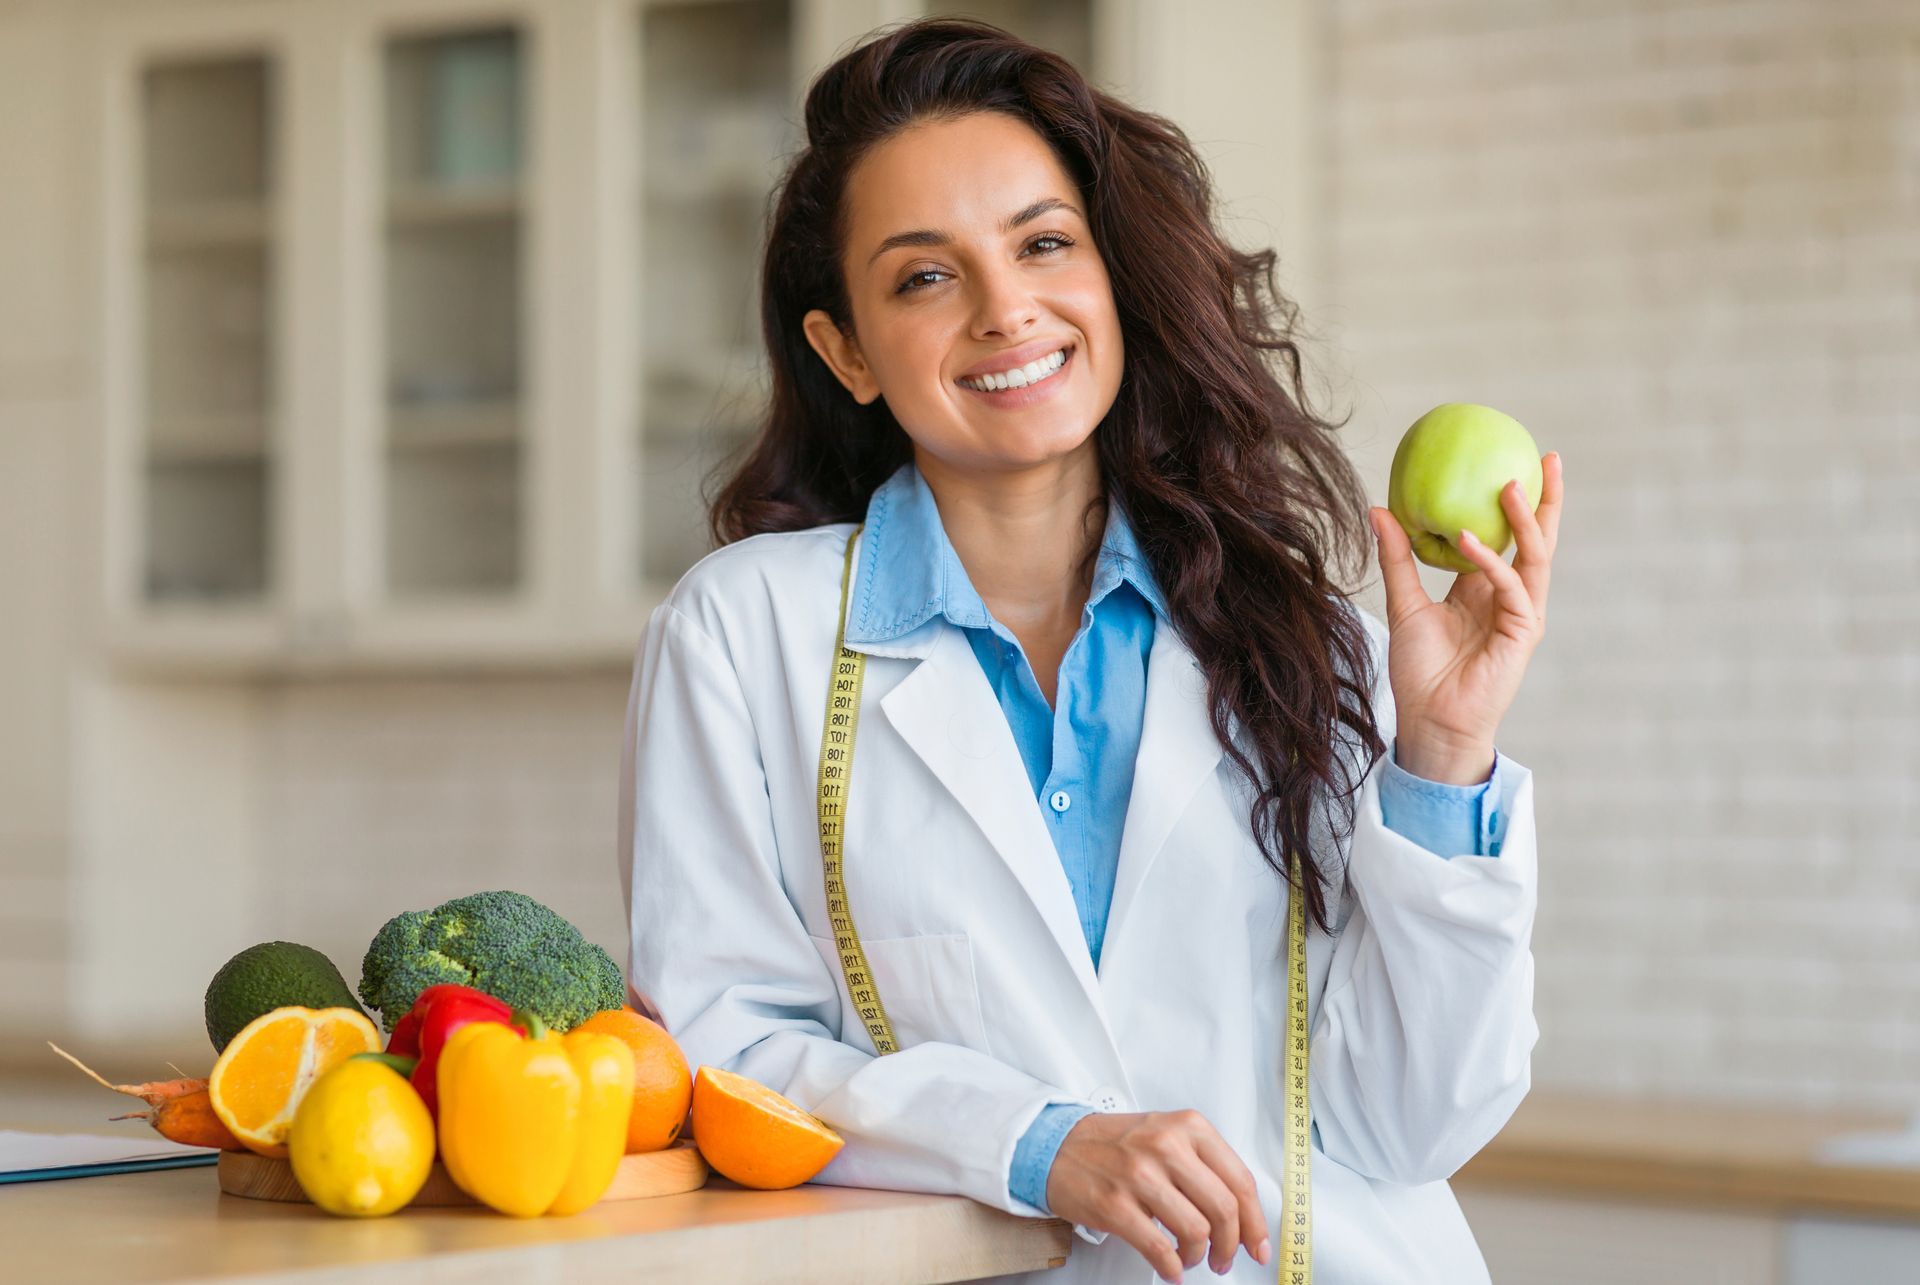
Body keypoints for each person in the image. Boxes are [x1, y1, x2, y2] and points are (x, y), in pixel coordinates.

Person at [618, 18, 1564, 1284]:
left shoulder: (1301, 635)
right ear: (844, 349)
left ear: (1110, 278)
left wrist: (1445, 757)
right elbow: (725, 1053)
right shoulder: (743, 634)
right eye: (923, 276)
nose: (1007, 309)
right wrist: (1040, 1143)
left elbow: (1416, 1120)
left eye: (1044, 244)